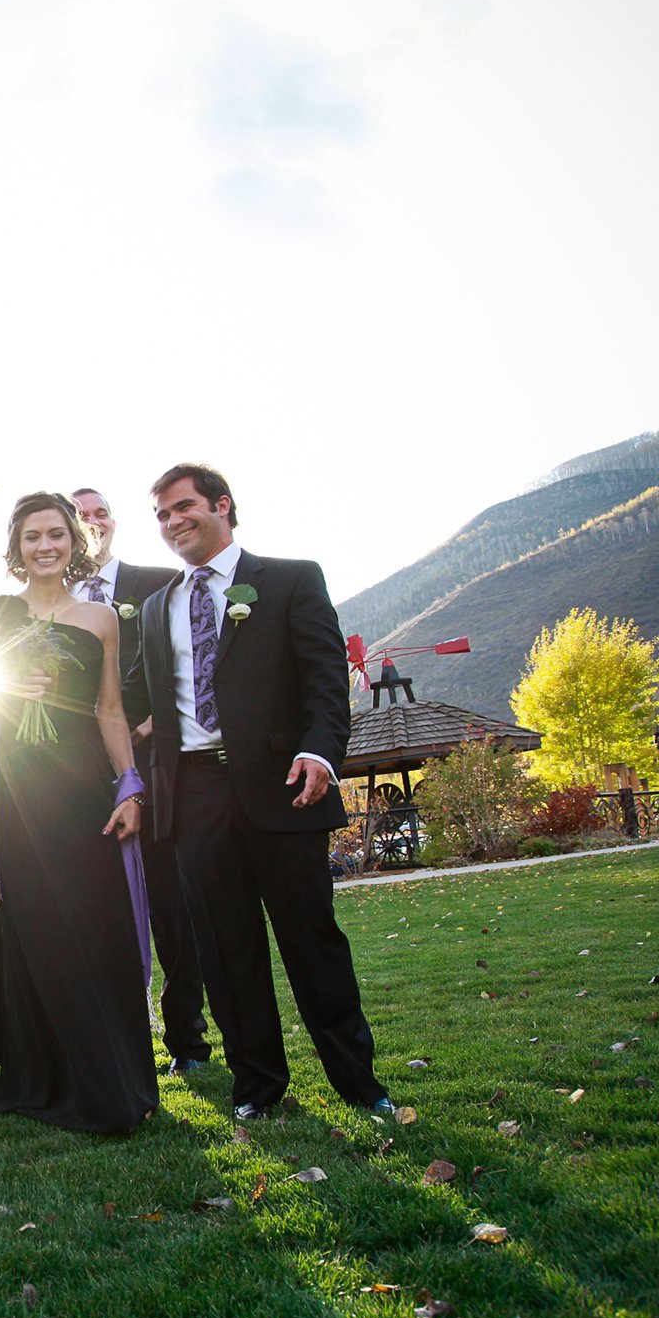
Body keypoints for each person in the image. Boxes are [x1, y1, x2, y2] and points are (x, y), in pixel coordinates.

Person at [135, 464, 397, 1123]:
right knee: (226, 949)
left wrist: (319, 751)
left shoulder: (291, 578)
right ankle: (256, 1085)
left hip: (283, 785)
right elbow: (138, 696)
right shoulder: (157, 606)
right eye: (162, 514)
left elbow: (323, 677)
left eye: (183, 506)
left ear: (223, 505)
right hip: (193, 793)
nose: (172, 522)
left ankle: (359, 1084)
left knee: (312, 940)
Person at [0, 492, 160, 1135]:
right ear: (16, 548)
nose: (44, 546)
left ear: (74, 541)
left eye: (55, 534)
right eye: (31, 537)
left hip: (84, 785)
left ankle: (116, 1074)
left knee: (97, 922)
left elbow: (110, 710)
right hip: (23, 785)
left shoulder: (102, 618)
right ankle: (49, 1074)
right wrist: (2, 689)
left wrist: (129, 785)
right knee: (40, 925)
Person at [69, 486, 213, 1072]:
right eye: (80, 516)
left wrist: (158, 723)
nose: (92, 522)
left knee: (174, 907)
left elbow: (192, 663)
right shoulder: (49, 607)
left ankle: (188, 1040)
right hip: (78, 776)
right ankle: (116, 1043)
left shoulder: (159, 583)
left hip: (156, 766)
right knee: (96, 910)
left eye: (99, 512)